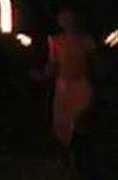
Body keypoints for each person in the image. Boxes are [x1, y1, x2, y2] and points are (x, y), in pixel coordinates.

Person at [34, 8, 96, 152]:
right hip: (64, 86)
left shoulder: (86, 40)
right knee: (63, 123)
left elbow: (94, 62)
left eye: (70, 18)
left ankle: (83, 153)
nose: (67, 22)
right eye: (63, 19)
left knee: (82, 120)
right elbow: (53, 64)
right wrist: (42, 75)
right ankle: (67, 154)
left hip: (82, 85)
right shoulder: (55, 41)